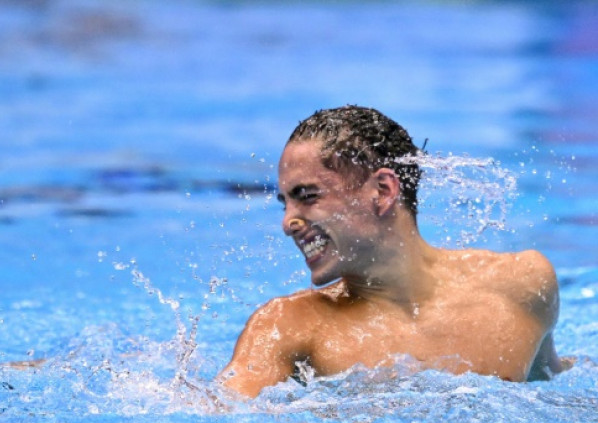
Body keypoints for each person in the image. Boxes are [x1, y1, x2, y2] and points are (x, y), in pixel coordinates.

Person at [218, 105, 564, 398]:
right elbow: (221, 416)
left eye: (308, 196)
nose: (287, 223)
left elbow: (552, 386)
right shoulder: (287, 328)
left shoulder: (522, 285)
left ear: (383, 191)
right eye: (285, 203)